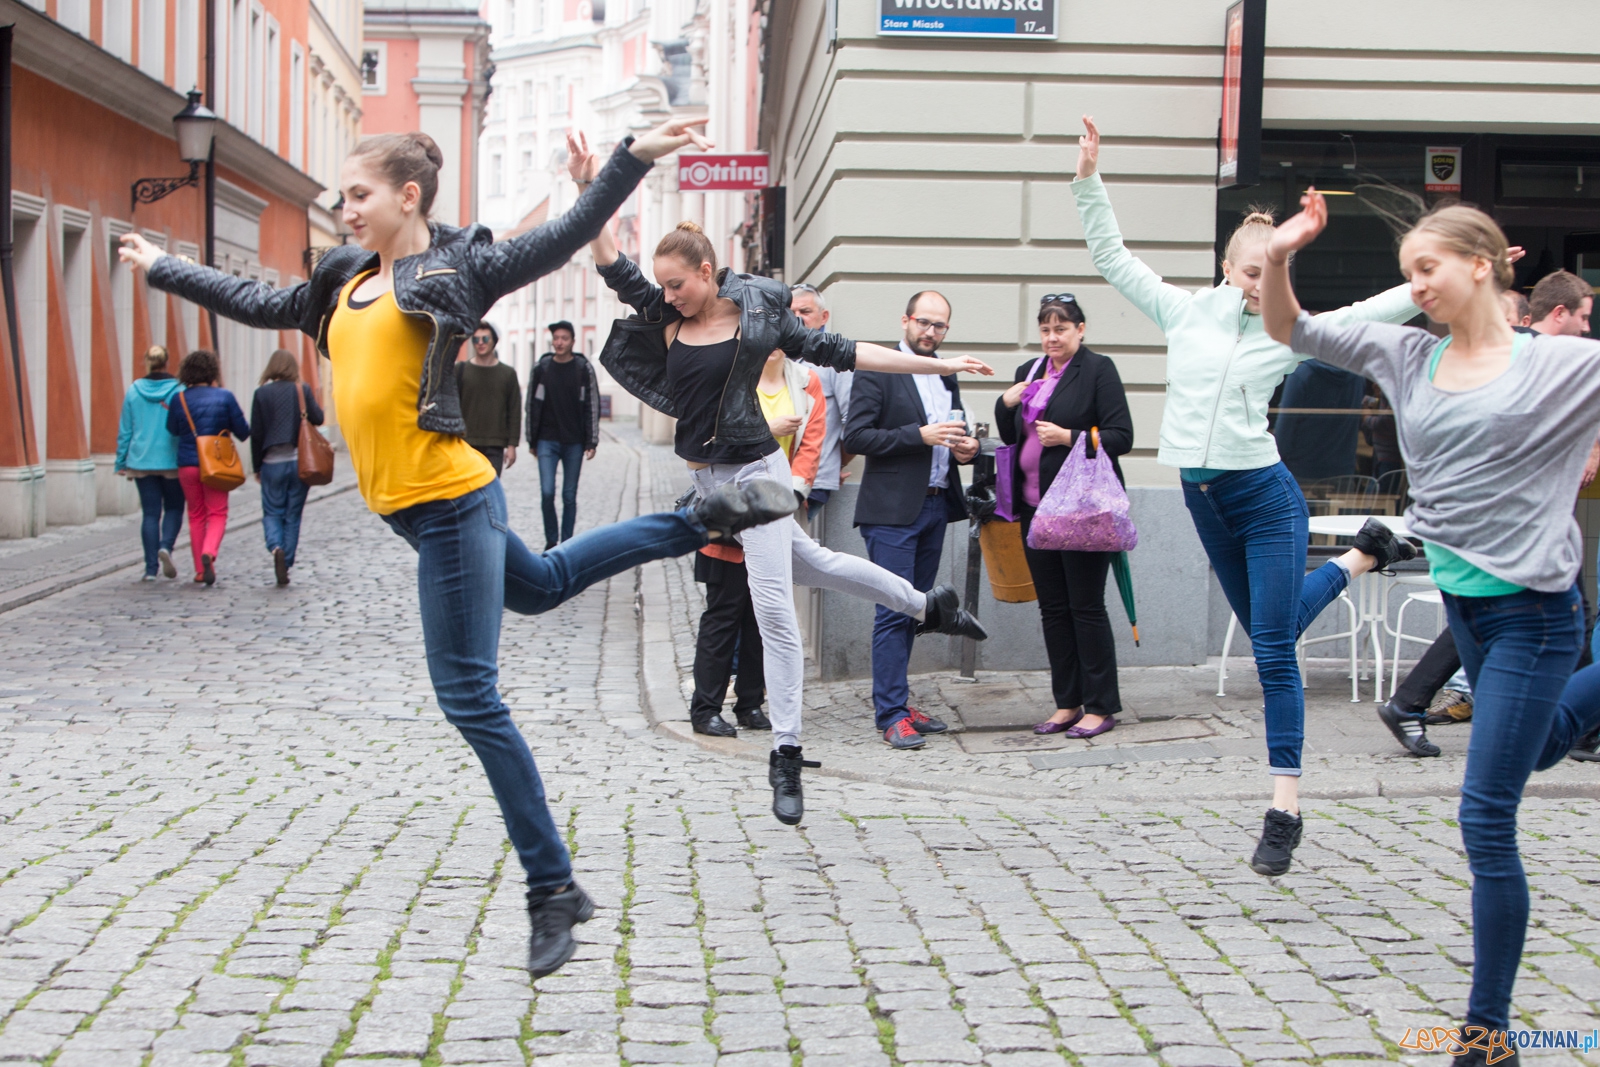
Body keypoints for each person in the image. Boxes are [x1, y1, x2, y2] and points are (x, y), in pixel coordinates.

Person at [121, 117, 801, 982]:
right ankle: (700, 519)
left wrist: (631, 159)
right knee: (545, 582)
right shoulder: (341, 280)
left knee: (469, 696)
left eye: (358, 194)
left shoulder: (454, 269)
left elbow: (557, 239)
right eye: (341, 196)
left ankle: (550, 886)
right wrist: (162, 267)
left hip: (448, 500)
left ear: (408, 196)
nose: (343, 208)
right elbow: (254, 301)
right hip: (413, 513)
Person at [1261, 190, 1600, 1066]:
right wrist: (1285, 252)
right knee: (1546, 743)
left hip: (1534, 611)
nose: (1415, 287)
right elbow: (1287, 329)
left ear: (1480, 264)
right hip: (1466, 607)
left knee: (1487, 813)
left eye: (1428, 269)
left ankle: (1487, 1035)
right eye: (1407, 272)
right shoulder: (1407, 354)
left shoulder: (1564, 366)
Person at [573, 136, 991, 827]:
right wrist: (596, 188)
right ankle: (929, 604)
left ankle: (787, 753)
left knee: (773, 608)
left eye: (679, 284)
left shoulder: (760, 314)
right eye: (664, 286)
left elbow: (843, 351)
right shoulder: (665, 318)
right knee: (818, 564)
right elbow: (611, 261)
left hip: (759, 474)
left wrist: (935, 367)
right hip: (711, 483)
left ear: (708, 272)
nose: (669, 296)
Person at [1069, 116, 1419, 877]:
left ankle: (1283, 805)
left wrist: (1426, 285)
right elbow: (1111, 258)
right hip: (1203, 500)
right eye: (1254, 270)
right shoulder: (1183, 310)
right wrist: (1090, 176)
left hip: (1264, 496)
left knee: (1271, 648)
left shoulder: (1290, 332)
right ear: (1230, 267)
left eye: (1276, 272)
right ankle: (1363, 556)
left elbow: (1369, 317)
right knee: (1277, 621)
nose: (1264, 283)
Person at [1379, 269, 1597, 758]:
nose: (1587, 328)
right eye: (1583, 317)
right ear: (1558, 314)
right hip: (1513, 521)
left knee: (1493, 618)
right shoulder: (1523, 356)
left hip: (1514, 520)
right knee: (1559, 616)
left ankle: (1411, 701)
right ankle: (1572, 729)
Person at [995, 294, 1133, 740]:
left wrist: (1070, 436)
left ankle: (1101, 706)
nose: (1052, 337)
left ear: (1080, 329)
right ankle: (1066, 703)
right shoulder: (1029, 373)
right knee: (1053, 610)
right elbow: (1010, 434)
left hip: (1080, 510)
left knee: (1085, 607)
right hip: (1034, 510)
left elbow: (1121, 436)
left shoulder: (1097, 370)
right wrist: (1005, 402)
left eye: (1061, 328)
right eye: (1046, 329)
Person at [844, 292, 978, 750]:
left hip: (936, 506)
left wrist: (965, 450)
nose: (931, 333)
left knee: (916, 612)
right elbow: (857, 435)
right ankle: (892, 714)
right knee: (892, 609)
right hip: (892, 512)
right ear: (905, 320)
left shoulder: (945, 376)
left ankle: (899, 702)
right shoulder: (879, 366)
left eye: (940, 326)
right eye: (924, 323)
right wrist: (918, 436)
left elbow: (951, 433)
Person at [689, 349, 826, 737]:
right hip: (730, 507)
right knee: (723, 612)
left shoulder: (805, 381)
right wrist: (768, 427)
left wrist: (790, 499)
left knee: (762, 615)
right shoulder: (729, 374)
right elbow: (708, 437)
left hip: (776, 512)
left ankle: (750, 702)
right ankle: (706, 708)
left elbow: (810, 447)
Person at [165, 349, 250, 587]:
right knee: (218, 513)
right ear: (213, 371)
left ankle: (201, 570)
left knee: (195, 515)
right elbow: (243, 431)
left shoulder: (179, 399)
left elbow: (172, 429)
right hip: (216, 464)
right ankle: (209, 552)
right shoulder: (225, 397)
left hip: (188, 464)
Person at [250, 349, 324, 586]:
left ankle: (276, 548)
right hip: (298, 462)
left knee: (272, 512)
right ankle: (287, 560)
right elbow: (319, 418)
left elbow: (257, 433)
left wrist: (256, 466)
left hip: (271, 463)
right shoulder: (301, 390)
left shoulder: (261, 393)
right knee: (293, 514)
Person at [525, 320, 599, 549]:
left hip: (574, 442)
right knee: (547, 492)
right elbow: (531, 403)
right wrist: (531, 439)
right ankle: (551, 541)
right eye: (556, 338)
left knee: (569, 495)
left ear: (573, 342)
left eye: (564, 338)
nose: (559, 342)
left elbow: (592, 404)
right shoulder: (542, 368)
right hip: (547, 440)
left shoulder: (583, 369)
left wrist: (591, 440)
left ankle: (566, 543)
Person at [115, 345, 185, 581]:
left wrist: (120, 461)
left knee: (150, 513)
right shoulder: (178, 390)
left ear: (146, 361)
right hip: (172, 461)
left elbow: (126, 429)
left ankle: (150, 569)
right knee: (174, 508)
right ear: (167, 362)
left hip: (141, 459)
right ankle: (165, 546)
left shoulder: (134, 391)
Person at [790, 284, 852, 519]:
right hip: (776, 479)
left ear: (823, 317)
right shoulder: (776, 356)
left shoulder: (835, 360)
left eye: (805, 312)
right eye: (791, 312)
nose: (797, 319)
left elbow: (852, 422)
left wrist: (834, 464)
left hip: (812, 483)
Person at [455, 322, 522, 477]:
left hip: (495, 443)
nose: (480, 343)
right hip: (466, 442)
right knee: (468, 491)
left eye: (485, 339)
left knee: (491, 488)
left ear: (494, 341)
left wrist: (512, 445)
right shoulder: (461, 370)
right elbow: (453, 405)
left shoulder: (507, 373)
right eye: (476, 339)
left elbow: (514, 410)